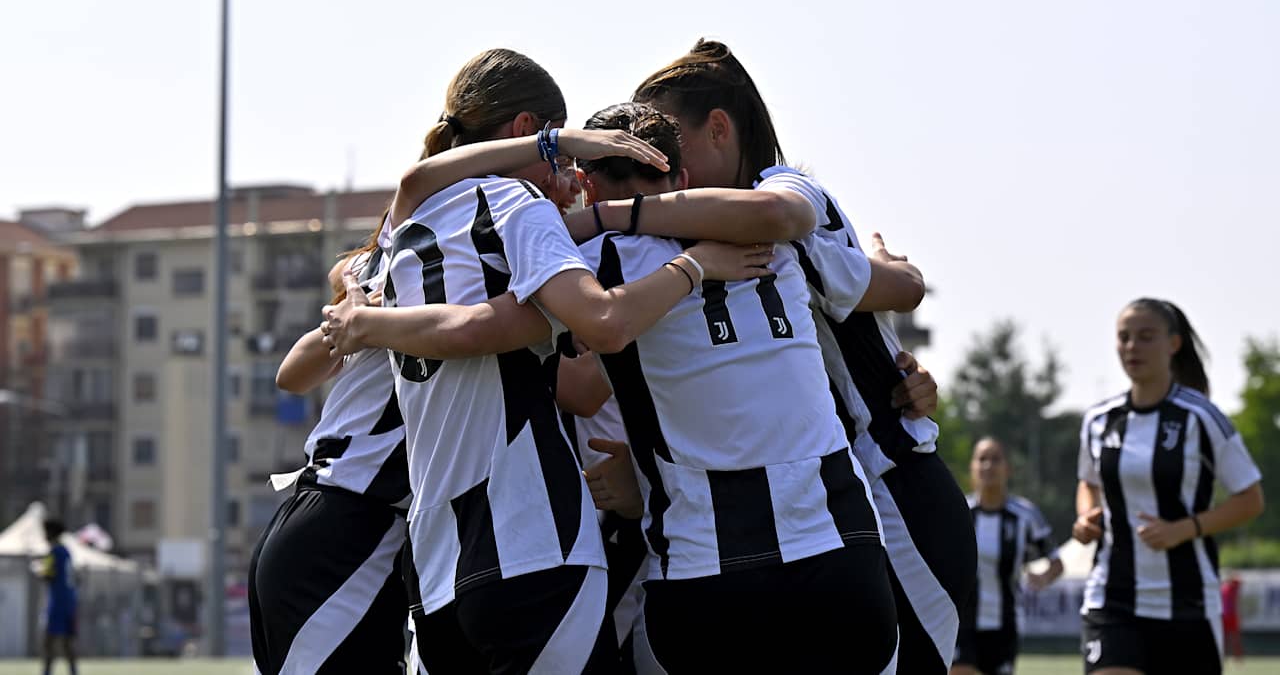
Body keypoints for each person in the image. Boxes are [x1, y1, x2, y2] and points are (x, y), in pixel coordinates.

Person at [327, 100, 899, 673]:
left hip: (704, 568)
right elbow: (894, 288)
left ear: (587, 184)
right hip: (844, 550)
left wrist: (370, 323)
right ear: (682, 178)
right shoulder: (782, 236)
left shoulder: (593, 258)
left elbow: (513, 338)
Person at [342, 48, 769, 675]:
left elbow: (417, 190)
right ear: (527, 131)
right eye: (565, 155)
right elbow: (602, 324)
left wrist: (370, 323)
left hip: (435, 566)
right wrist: (694, 265)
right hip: (530, 540)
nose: (570, 173)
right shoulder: (520, 207)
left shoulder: (407, 221)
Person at [565, 38, 970, 673]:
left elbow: (898, 285)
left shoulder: (776, 201)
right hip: (824, 525)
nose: (671, 167)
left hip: (889, 479)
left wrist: (602, 217)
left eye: (670, 143)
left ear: (718, 129)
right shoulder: (704, 236)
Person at [247, 231, 413, 675]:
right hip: (351, 529)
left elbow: (340, 272)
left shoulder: (390, 278)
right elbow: (290, 374)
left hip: (320, 516)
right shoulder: (439, 267)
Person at [1073, 298, 1265, 675]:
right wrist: (1086, 516)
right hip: (1112, 597)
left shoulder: (1202, 418)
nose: (1132, 347)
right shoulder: (1099, 420)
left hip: (1188, 602)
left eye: (1146, 337)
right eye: (1124, 337)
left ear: (1173, 344)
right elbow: (1088, 482)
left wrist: (1184, 529)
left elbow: (1250, 499)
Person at [952, 437, 1063, 675]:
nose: (988, 466)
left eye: (996, 459)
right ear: (972, 467)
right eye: (982, 459)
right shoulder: (959, 513)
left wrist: (1043, 578)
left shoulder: (1025, 515)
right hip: (962, 622)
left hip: (1005, 624)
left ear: (1008, 469)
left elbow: (1057, 562)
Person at [40, 519, 78, 675]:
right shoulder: (66, 551)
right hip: (70, 601)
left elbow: (47, 575)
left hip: (58, 602)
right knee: (68, 643)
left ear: (51, 533)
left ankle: (46, 672)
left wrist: (39, 571)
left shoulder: (53, 552)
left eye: (45, 532)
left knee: (49, 641)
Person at [1220, 573, 1243, 662]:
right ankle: (1223, 656)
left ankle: (1238, 657)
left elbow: (1239, 581)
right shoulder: (1223, 588)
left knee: (1235, 638)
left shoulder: (1233, 588)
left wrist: (1232, 578)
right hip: (1224, 616)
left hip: (1232, 615)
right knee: (1224, 639)